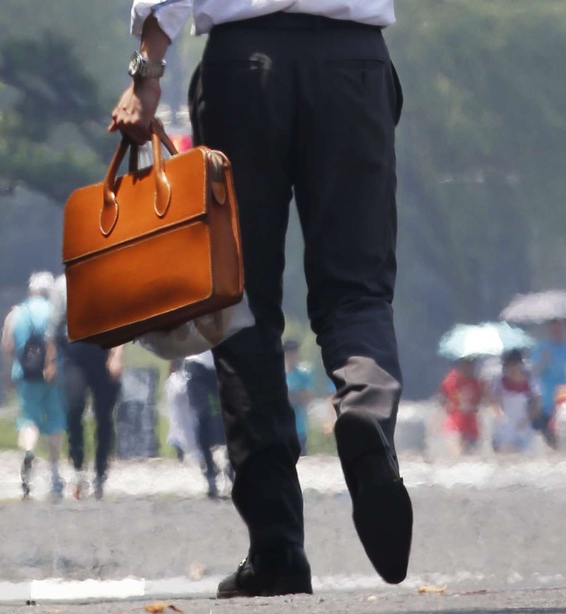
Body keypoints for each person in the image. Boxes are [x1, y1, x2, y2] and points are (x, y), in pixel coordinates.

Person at [113, 0, 411, 596]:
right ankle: (365, 411)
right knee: (356, 288)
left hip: (244, 71)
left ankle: (276, 547)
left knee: (239, 300)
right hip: (353, 64)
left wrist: (146, 76)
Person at [44, 274, 123, 500]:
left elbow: (121, 323)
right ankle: (78, 468)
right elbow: (53, 328)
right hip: (74, 355)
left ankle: (100, 471)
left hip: (103, 353)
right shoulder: (62, 285)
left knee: (104, 416)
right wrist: (50, 362)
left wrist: (117, 355)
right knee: (74, 408)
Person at [2, 272, 66, 500]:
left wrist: (10, 375)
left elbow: (7, 346)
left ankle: (29, 451)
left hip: (25, 374)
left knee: (29, 418)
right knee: (56, 420)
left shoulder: (15, 314)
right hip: (54, 373)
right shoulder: (54, 311)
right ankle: (55, 473)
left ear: (31, 290)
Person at [532, 319, 566, 447]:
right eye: (553, 329)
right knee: (551, 441)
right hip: (548, 401)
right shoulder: (542, 347)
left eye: (559, 328)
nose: (556, 331)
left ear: (565, 329)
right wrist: (543, 361)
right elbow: (534, 372)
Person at [185, 351, 227, 499]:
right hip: (197, 362)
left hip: (225, 361)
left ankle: (232, 466)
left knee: (232, 414)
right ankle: (210, 471)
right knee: (203, 417)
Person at [489, 350, 540, 454]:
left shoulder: (530, 380)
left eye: (514, 365)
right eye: (508, 366)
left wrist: (527, 418)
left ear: (520, 365)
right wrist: (499, 415)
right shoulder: (500, 382)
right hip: (505, 425)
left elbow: (537, 403)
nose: (511, 369)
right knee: (506, 455)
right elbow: (492, 401)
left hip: (524, 425)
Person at [439, 358, 486, 454]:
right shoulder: (451, 381)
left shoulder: (476, 383)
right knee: (457, 454)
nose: (468, 367)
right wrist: (449, 405)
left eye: (470, 365)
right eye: (465, 364)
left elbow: (481, 401)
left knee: (470, 457)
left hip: (471, 427)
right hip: (454, 425)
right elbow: (442, 398)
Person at [284, 340, 314, 456]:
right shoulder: (279, 374)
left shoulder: (304, 373)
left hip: (299, 429)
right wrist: (296, 395)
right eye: (289, 352)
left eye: (294, 352)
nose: (292, 356)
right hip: (282, 430)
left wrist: (287, 396)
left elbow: (306, 398)